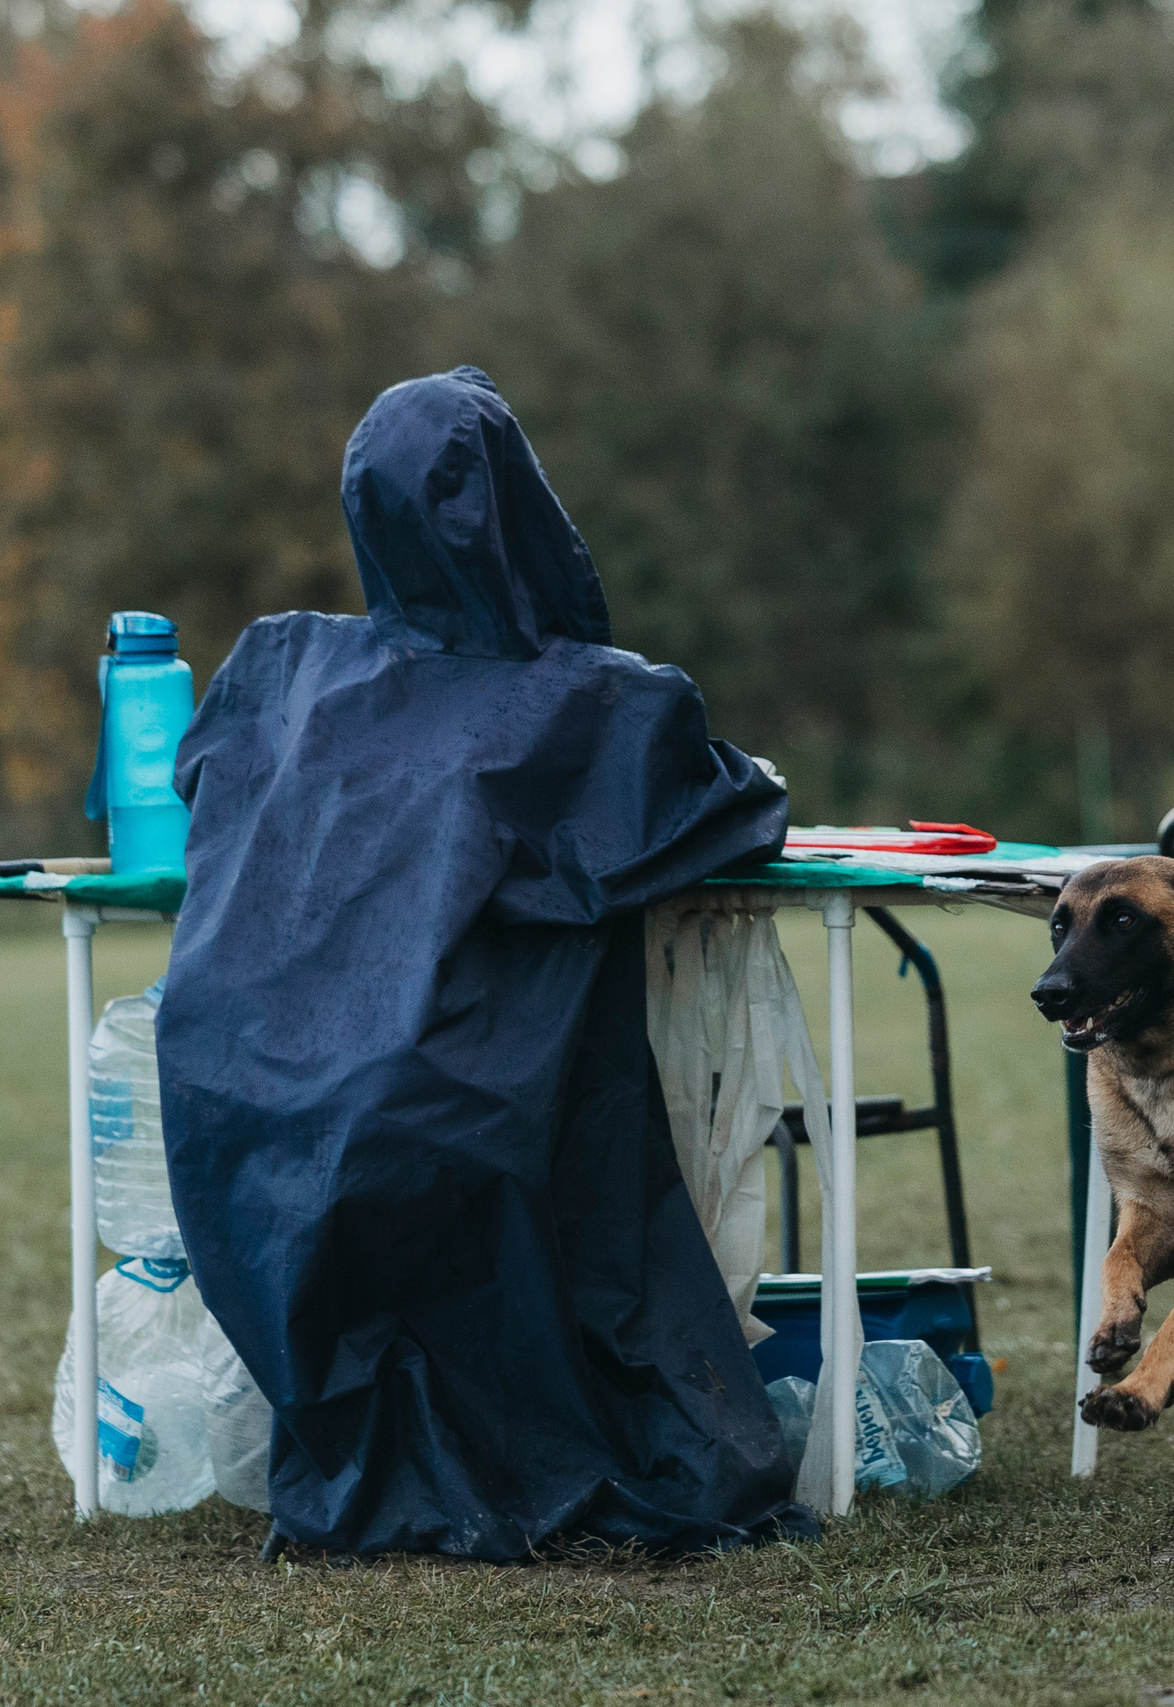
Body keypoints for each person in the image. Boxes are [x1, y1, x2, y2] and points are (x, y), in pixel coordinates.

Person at [158, 367, 811, 1558]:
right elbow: (723, 811)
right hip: (440, 1103)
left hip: (237, 1101)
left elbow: (194, 783)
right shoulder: (588, 704)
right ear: (524, 506)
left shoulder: (278, 672)